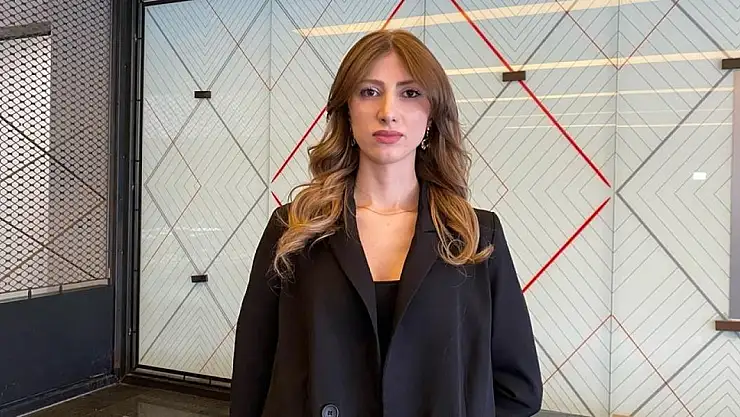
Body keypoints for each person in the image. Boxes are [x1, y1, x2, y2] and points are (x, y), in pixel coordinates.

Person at [230, 29, 542, 417]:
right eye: (369, 91)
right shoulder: (295, 229)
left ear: (432, 115)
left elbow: (519, 390)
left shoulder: (473, 237)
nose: (388, 111)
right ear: (347, 111)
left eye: (410, 93)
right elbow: (252, 376)